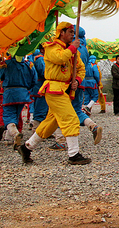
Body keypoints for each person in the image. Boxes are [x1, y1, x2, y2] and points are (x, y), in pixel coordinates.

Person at [17, 22, 91, 165]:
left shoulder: (74, 52)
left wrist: (76, 79)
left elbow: (81, 68)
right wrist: (72, 48)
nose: (72, 35)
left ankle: (27, 147)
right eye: (70, 32)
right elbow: (60, 58)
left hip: (65, 90)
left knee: (50, 123)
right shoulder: (51, 47)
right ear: (61, 33)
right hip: (54, 89)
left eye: (73, 33)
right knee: (71, 118)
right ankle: (73, 154)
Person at [0, 54, 37, 149]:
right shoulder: (29, 64)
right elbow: (34, 80)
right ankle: (9, 138)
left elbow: (0, 77)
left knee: (8, 115)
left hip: (9, 93)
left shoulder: (5, 63)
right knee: (16, 114)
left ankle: (15, 134)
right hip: (23, 93)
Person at [71, 27, 103, 144]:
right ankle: (92, 125)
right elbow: (96, 74)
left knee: (62, 112)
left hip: (71, 82)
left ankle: (61, 140)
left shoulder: (72, 48)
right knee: (78, 109)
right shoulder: (85, 49)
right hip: (83, 81)